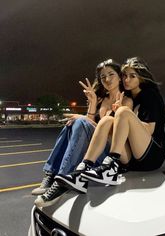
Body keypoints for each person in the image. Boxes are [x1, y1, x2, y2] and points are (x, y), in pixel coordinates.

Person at [55, 57, 165, 191]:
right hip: (131, 161)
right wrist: (117, 117)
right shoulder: (129, 97)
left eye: (132, 76)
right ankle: (82, 170)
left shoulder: (150, 95)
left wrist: (123, 115)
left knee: (122, 112)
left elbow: (149, 130)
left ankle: (110, 167)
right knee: (107, 120)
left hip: (152, 156)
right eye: (124, 75)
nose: (127, 80)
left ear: (142, 78)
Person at [33, 59, 133, 206]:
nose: (107, 79)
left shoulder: (127, 101)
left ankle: (61, 181)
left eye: (111, 74)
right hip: (94, 151)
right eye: (103, 76)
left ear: (119, 77)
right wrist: (92, 103)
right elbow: (88, 127)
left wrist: (83, 118)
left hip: (110, 155)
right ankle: (51, 174)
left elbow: (109, 132)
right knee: (72, 123)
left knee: (79, 121)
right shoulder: (100, 100)